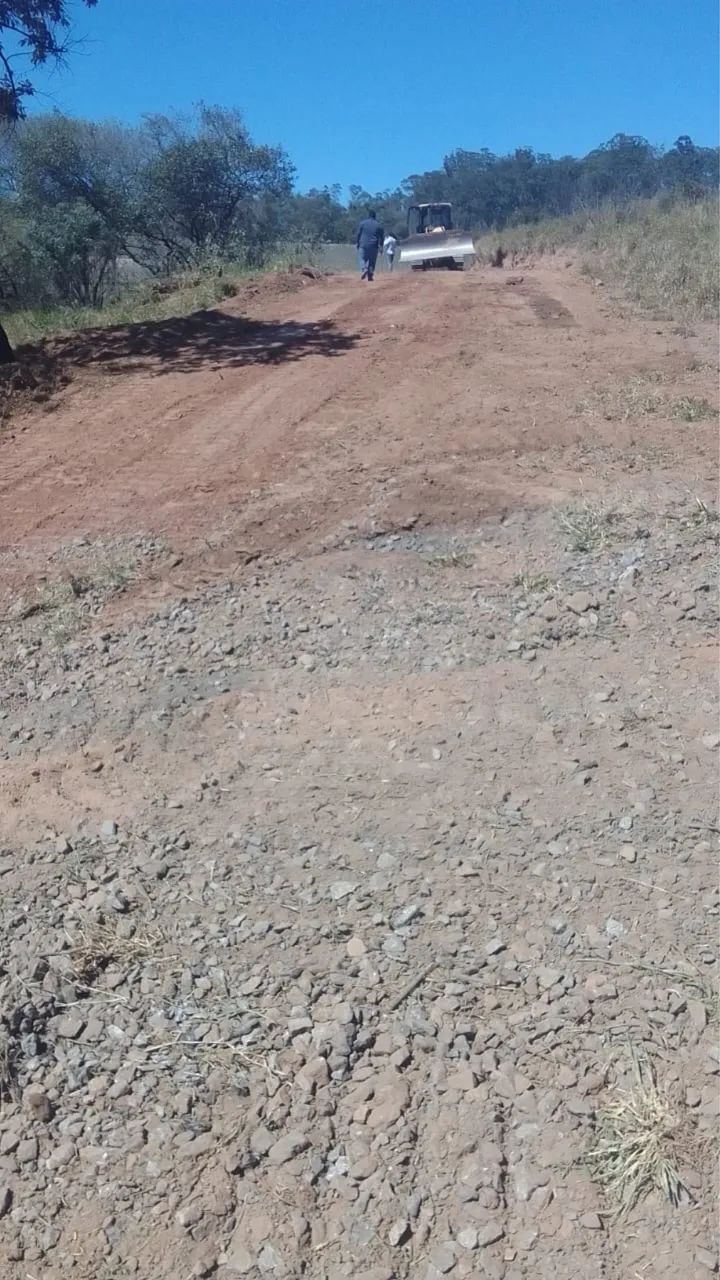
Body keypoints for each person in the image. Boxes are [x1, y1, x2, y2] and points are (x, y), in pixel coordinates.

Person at [356, 208, 384, 281]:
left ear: (368, 216)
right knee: (372, 261)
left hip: (363, 244)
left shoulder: (362, 223)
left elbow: (358, 234)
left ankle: (364, 269)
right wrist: (381, 246)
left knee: (361, 258)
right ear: (375, 216)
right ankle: (370, 276)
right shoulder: (379, 225)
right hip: (374, 245)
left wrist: (358, 243)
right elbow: (382, 237)